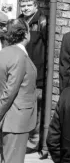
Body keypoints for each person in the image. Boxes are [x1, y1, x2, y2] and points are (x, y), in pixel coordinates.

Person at [0, 18, 37, 163]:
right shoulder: (19, 56)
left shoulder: (4, 52)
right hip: (15, 120)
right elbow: (10, 91)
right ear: (26, 34)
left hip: (10, 119)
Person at [18, 0, 47, 153]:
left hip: (37, 74)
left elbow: (48, 46)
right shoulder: (19, 21)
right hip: (20, 72)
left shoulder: (42, 21)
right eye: (23, 5)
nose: (26, 8)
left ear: (35, 6)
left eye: (29, 5)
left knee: (35, 109)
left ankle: (34, 141)